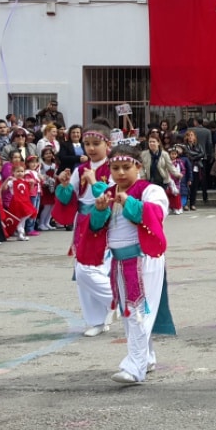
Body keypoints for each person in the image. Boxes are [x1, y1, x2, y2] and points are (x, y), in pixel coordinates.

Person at [85, 144, 173, 384]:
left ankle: (134, 367)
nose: (121, 173)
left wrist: (130, 204)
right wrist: (100, 211)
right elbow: (96, 228)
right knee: (132, 314)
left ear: (139, 166)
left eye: (126, 167)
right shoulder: (109, 193)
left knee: (136, 312)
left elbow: (156, 215)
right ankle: (147, 357)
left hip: (144, 259)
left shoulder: (150, 190)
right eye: (115, 168)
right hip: (120, 261)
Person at [53, 125, 116, 338]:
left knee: (96, 270)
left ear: (108, 144)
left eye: (96, 144)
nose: (90, 148)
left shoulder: (115, 168)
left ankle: (117, 303)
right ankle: (97, 319)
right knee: (83, 274)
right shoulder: (80, 169)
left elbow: (111, 196)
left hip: (104, 221)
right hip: (82, 223)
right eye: (87, 144)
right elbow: (67, 199)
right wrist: (62, 186)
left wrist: (94, 181)